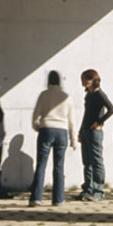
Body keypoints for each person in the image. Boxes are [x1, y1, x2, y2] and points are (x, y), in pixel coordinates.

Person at [29, 69, 76, 206]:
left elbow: (35, 116)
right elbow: (71, 120)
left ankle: (36, 198)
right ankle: (58, 199)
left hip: (46, 129)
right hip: (62, 131)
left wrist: (37, 127)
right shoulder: (66, 97)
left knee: (41, 164)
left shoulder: (43, 95)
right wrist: (73, 140)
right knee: (59, 166)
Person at [77, 68, 113, 201]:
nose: (82, 82)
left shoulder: (99, 94)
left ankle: (98, 190)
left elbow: (111, 109)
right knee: (87, 161)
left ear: (92, 80)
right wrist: (81, 130)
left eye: (84, 79)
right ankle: (88, 188)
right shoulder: (88, 94)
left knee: (97, 161)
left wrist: (99, 122)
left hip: (94, 132)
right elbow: (86, 114)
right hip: (86, 131)